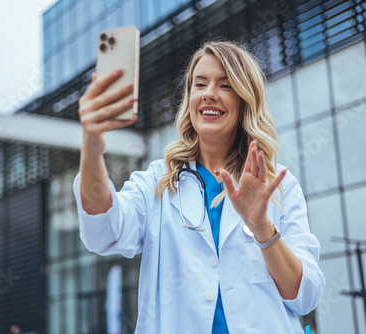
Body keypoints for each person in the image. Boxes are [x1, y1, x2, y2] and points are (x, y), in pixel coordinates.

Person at [74, 39, 325, 333]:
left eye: (225, 85)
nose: (209, 95)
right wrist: (91, 146)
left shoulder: (278, 184)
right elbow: (103, 230)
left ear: (246, 98)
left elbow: (305, 296)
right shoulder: (159, 181)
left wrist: (261, 227)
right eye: (200, 84)